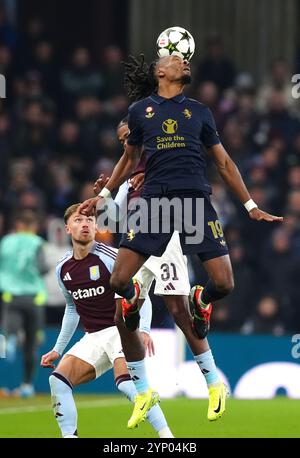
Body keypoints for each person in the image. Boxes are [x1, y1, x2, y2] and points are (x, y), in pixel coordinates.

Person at [80, 54, 283, 426]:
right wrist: (107, 195)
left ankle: (207, 343)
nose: (183, 62)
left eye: (184, 59)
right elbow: (124, 173)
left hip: (191, 206)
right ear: (160, 72)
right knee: (120, 289)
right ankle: (142, 390)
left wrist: (251, 204)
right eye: (175, 59)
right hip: (151, 211)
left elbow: (223, 162)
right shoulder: (140, 119)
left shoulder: (200, 113)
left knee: (208, 292)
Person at [94, 118, 228, 422]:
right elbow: (111, 221)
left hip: (165, 235)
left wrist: (153, 177)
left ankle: (214, 384)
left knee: (180, 311)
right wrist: (105, 196)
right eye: (121, 140)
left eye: (128, 136)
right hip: (134, 239)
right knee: (121, 316)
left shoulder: (163, 156)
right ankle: (143, 391)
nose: (125, 142)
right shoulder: (127, 176)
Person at [40, 203, 173, 438]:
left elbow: (141, 295)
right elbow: (72, 309)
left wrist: (143, 330)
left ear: (95, 226)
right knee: (58, 381)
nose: (85, 225)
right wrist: (57, 350)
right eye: (79, 221)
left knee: (127, 384)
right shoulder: (63, 269)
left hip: (121, 330)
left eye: (90, 220)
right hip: (93, 337)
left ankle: (167, 438)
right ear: (68, 229)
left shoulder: (111, 257)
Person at [0, 210, 48, 397]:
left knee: (10, 326)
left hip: (11, 295)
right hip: (35, 297)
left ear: (18, 225)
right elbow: (43, 268)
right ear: (33, 227)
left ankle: (11, 336)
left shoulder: (6, 242)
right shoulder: (37, 243)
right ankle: (27, 386)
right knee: (31, 344)